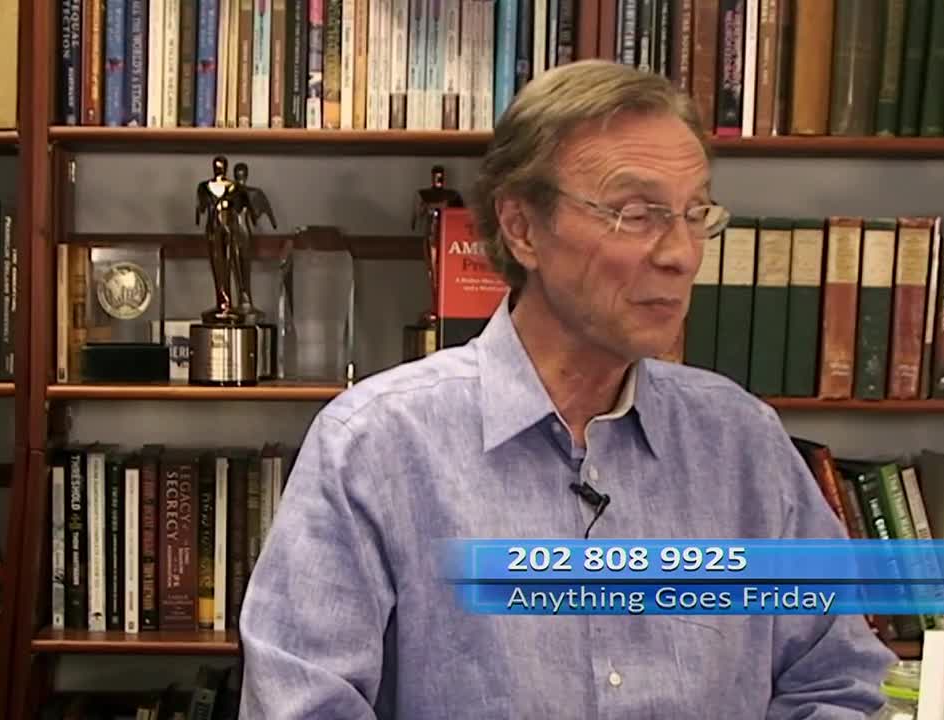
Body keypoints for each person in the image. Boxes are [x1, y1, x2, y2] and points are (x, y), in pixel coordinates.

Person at [238, 59, 897, 719]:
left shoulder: (742, 442)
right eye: (636, 214)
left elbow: (838, 683)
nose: (681, 254)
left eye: (695, 213)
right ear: (523, 228)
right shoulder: (375, 446)